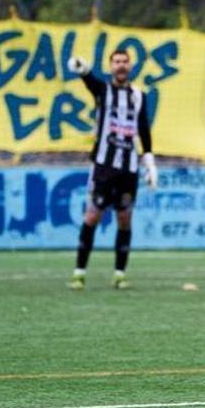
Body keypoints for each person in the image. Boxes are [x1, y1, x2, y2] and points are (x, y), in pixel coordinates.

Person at [66, 50, 158, 290]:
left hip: (128, 168)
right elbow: (91, 83)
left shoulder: (138, 95)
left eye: (125, 62)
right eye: (117, 62)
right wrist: (83, 70)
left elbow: (143, 129)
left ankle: (119, 273)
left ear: (130, 66)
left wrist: (149, 163)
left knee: (124, 218)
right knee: (92, 215)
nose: (121, 66)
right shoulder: (103, 90)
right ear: (110, 67)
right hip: (104, 167)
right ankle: (79, 272)